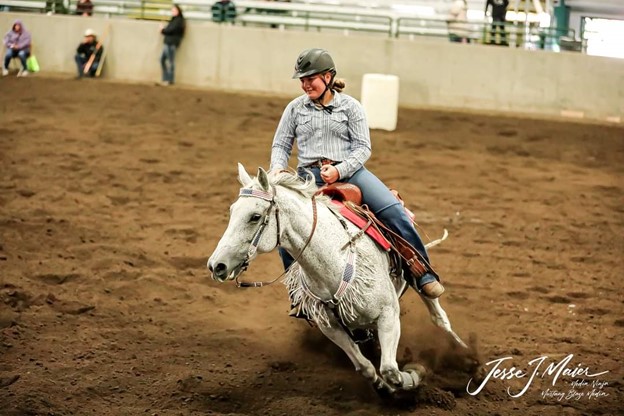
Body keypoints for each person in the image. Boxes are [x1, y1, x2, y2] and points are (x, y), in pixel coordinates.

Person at [270, 48, 445, 315]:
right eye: (302, 80)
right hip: (308, 177)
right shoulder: (294, 108)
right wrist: (278, 169)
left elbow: (363, 148)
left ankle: (422, 272)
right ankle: (299, 295)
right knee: (287, 229)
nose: (305, 84)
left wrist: (339, 171)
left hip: (353, 174)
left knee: (393, 212)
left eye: (311, 78)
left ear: (328, 77)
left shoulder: (351, 107)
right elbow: (281, 144)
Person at [159, 4, 185, 86]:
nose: (172, 12)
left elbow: (170, 30)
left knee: (170, 61)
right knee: (163, 60)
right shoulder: (174, 20)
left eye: (174, 10)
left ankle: (169, 79)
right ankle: (166, 78)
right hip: (168, 42)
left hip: (171, 43)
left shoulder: (178, 21)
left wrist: (162, 30)